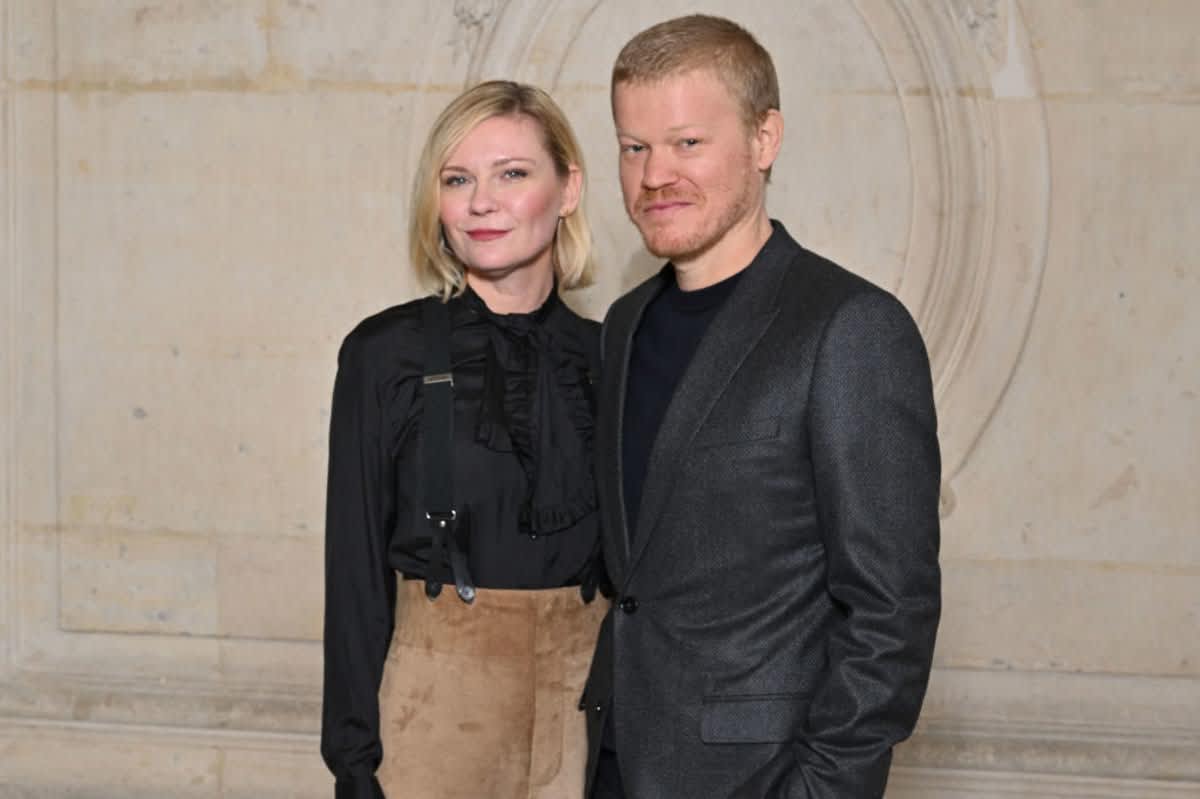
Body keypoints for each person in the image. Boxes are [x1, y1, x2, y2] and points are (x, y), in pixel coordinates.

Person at [582, 15, 942, 799]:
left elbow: (890, 611)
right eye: (633, 146)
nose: (653, 175)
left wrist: (819, 789)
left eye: (686, 143)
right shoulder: (622, 326)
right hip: (614, 767)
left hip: (761, 777)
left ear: (764, 138)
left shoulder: (850, 328)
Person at [321, 80, 607, 799]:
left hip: (586, 716)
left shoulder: (617, 357)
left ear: (567, 188)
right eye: (458, 179)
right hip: (435, 714)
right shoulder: (385, 353)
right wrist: (354, 765)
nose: (481, 201)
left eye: (512, 173)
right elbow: (353, 573)